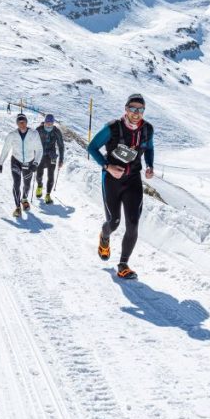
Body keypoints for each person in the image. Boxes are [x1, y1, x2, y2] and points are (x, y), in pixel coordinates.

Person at [87, 93, 154, 280]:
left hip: (133, 180)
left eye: (140, 109)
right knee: (114, 222)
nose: (136, 112)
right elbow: (91, 147)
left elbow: (149, 149)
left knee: (133, 224)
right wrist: (107, 167)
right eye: (133, 108)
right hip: (111, 180)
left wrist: (149, 166)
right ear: (126, 109)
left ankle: (123, 264)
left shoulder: (147, 129)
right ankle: (104, 236)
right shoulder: (112, 128)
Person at [0, 113, 43, 217]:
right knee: (16, 183)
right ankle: (17, 207)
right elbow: (6, 149)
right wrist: (0, 163)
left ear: (26, 122)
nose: (22, 124)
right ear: (17, 123)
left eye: (24, 122)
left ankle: (24, 199)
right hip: (16, 161)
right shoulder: (12, 135)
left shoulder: (34, 134)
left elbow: (39, 149)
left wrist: (36, 163)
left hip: (29, 162)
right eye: (19, 122)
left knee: (27, 185)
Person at [35, 114, 65, 204]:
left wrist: (61, 160)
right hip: (40, 154)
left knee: (51, 175)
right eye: (47, 122)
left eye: (50, 123)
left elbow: (61, 146)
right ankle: (40, 186)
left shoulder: (56, 132)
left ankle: (48, 195)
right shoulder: (39, 130)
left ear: (53, 123)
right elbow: (32, 142)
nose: (49, 124)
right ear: (45, 122)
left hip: (51, 155)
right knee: (39, 174)